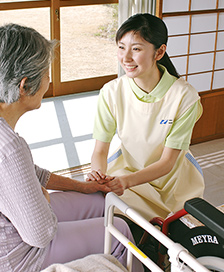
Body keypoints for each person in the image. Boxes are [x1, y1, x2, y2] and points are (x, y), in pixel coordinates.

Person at [0, 24, 144, 272]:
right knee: (120, 231)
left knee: (100, 201)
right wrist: (42, 198)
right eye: (45, 73)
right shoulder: (6, 147)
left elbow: (29, 172)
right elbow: (41, 234)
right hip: (5, 258)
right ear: (24, 86)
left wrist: (84, 187)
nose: (49, 80)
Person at [87, 13, 205, 221]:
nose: (126, 58)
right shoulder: (111, 92)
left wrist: (126, 182)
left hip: (173, 183)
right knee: (104, 213)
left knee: (174, 233)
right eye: (121, 47)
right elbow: (100, 150)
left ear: (159, 52)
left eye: (137, 49)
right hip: (127, 172)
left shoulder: (185, 97)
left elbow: (167, 162)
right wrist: (97, 177)